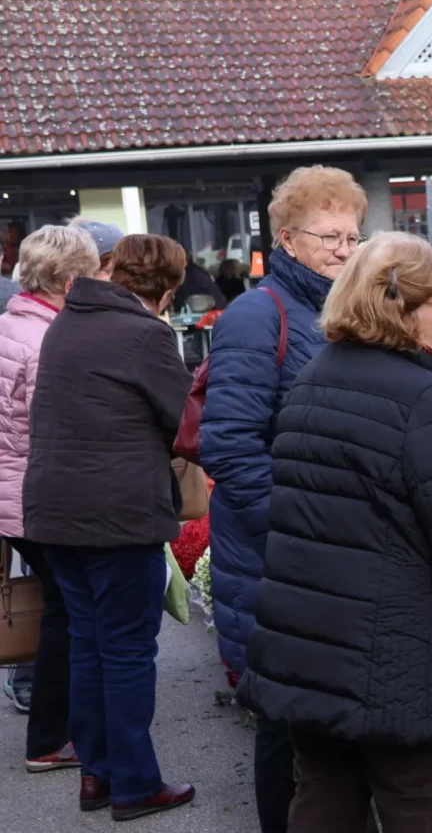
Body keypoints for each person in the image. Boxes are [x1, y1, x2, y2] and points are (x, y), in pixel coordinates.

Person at [236, 232, 432, 832]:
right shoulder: (422, 395)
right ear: (396, 306)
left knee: (323, 801)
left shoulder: (313, 377)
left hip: (308, 646)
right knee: (414, 807)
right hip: (395, 657)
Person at [199, 165, 368, 833]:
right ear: (288, 241)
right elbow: (231, 447)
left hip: (327, 553)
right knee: (286, 726)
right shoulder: (255, 315)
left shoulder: (339, 308)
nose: (342, 249)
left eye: (352, 236)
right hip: (278, 557)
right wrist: (297, 530)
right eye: (327, 236)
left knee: (322, 726)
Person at [23, 234, 195, 821]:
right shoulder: (146, 335)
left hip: (53, 511)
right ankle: (136, 783)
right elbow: (187, 423)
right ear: (168, 288)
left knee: (89, 647)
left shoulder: (66, 323)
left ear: (115, 270)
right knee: (125, 653)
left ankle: (96, 774)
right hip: (118, 515)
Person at [0, 226, 101, 768]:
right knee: (68, 610)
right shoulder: (49, 340)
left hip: (11, 494)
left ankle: (51, 731)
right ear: (67, 280)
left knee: (60, 604)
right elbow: (54, 429)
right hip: (35, 494)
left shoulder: (8, 325)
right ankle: (49, 739)